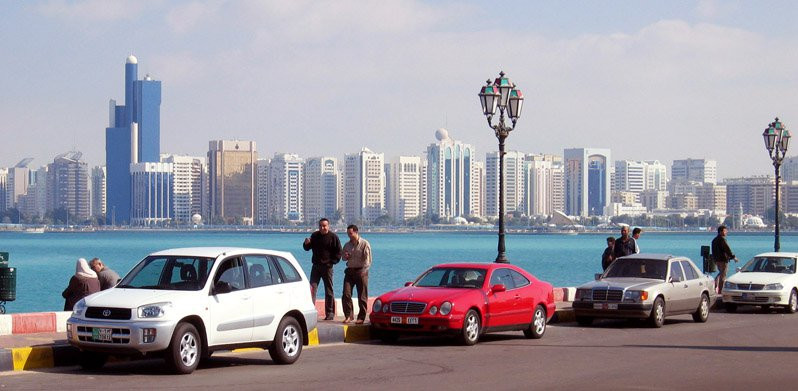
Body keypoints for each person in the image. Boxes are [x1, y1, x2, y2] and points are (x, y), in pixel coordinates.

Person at [303, 218, 342, 320]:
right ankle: (310, 312)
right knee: (312, 289)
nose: (322, 228)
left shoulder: (333, 237)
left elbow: (339, 252)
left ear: (328, 226)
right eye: (320, 226)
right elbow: (307, 248)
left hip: (327, 267)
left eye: (324, 226)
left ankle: (329, 313)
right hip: (315, 267)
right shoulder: (315, 236)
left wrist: (332, 262)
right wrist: (306, 243)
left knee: (329, 291)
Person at [341, 224, 372, 324]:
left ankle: (361, 317)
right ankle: (348, 316)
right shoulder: (347, 245)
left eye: (351, 233)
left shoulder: (364, 244)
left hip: (361, 271)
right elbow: (343, 258)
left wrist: (364, 271)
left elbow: (368, 260)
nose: (349, 235)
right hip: (350, 271)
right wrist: (346, 256)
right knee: (346, 294)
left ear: (356, 232)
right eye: (348, 234)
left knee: (362, 296)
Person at [711, 225, 737, 294]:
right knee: (723, 275)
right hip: (723, 260)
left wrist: (715, 259)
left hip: (717, 260)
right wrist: (733, 257)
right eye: (725, 231)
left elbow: (713, 251)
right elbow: (727, 249)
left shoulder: (714, 240)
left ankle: (715, 284)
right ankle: (721, 291)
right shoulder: (722, 239)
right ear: (721, 231)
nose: (726, 232)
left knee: (720, 273)